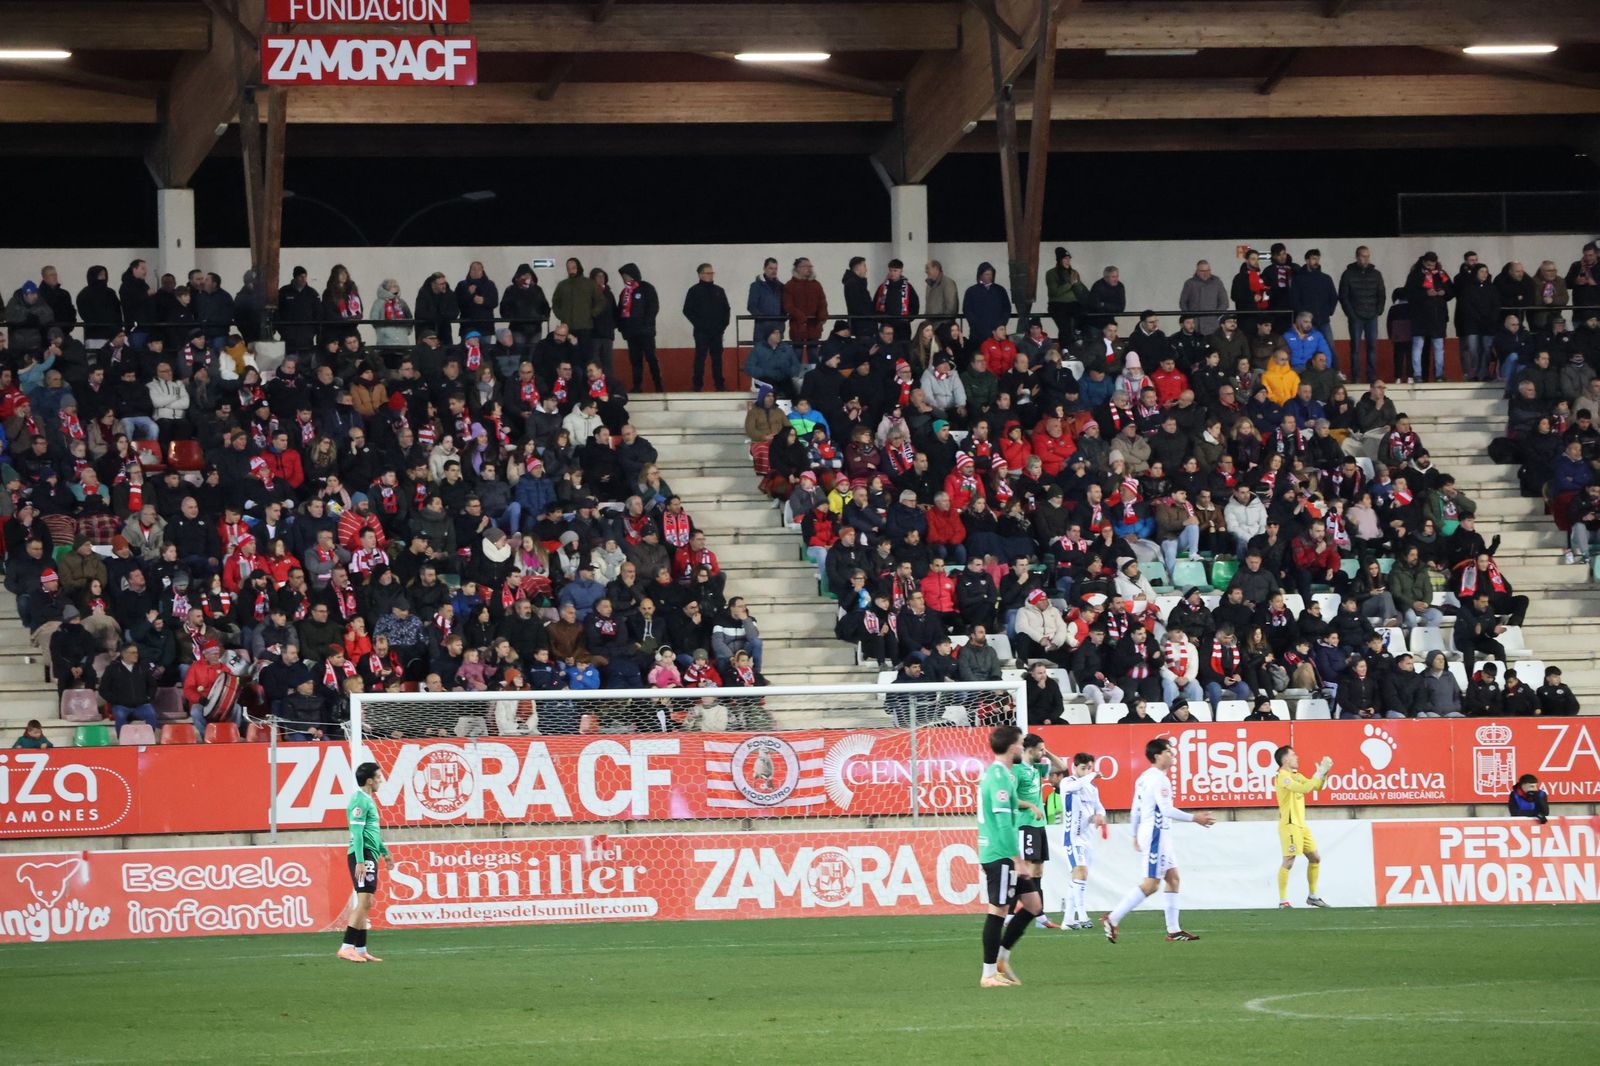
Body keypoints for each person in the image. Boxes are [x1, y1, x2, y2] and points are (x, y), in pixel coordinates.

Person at [1102, 737, 1215, 943]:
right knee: (1151, 884)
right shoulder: (1159, 779)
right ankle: (1113, 918)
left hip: (1154, 833)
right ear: (1157, 756)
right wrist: (1195, 818)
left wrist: (1135, 834)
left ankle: (1174, 930)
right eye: (1168, 752)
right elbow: (1166, 810)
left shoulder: (1144, 778)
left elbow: (1135, 809)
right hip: (1156, 834)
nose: (1173, 755)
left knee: (1173, 878)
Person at [978, 724, 1027, 988]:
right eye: (1021, 743)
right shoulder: (998, 776)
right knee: (998, 910)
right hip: (1000, 853)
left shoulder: (1002, 774)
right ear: (1011, 747)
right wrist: (1017, 859)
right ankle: (988, 974)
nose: (1022, 747)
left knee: (1033, 904)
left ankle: (1001, 961)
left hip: (1001, 851)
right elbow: (1003, 823)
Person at [1009, 735, 1067, 950]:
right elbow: (1012, 799)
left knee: (1038, 872)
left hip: (1039, 825)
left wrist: (1046, 752)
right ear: (1029, 749)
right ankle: (1010, 913)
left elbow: (1062, 767)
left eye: (1043, 749)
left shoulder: (1037, 768)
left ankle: (1039, 916)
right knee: (1024, 871)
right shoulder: (1017, 771)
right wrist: (1031, 806)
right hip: (1025, 824)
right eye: (1040, 749)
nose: (1043, 753)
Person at [339, 760, 389, 963]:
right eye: (378, 777)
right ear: (369, 781)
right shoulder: (359, 801)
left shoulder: (368, 800)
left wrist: (385, 852)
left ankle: (360, 949)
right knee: (364, 901)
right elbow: (357, 833)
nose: (380, 780)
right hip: (362, 855)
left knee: (367, 901)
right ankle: (346, 947)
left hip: (370, 854)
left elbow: (372, 832)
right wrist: (360, 861)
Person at [1273, 745, 1333, 909]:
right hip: (1290, 825)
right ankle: (1283, 901)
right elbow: (1304, 789)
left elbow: (1316, 787)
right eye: (1293, 755)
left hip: (1301, 826)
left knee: (1315, 858)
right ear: (1285, 759)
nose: (1297, 757)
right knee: (1288, 861)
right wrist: (1318, 774)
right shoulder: (1282, 778)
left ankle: (1312, 896)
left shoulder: (1296, 776)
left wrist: (1324, 774)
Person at [1052, 752, 1106, 930]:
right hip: (1072, 838)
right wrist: (1092, 775)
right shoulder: (1067, 783)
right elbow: (1078, 785)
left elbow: (1099, 807)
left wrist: (1099, 816)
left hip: (1088, 839)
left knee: (1078, 878)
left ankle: (1068, 920)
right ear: (1074, 767)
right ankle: (1082, 915)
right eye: (1083, 768)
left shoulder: (1093, 788)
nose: (1087, 771)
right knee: (1080, 872)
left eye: (1089, 768)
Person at [682, 262, 730, 391]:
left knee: (717, 359)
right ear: (700, 275)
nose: (711, 275)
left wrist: (722, 326)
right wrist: (699, 324)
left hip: (717, 332)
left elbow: (726, 310)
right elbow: (687, 310)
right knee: (700, 358)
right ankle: (697, 385)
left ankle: (719, 385)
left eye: (712, 273)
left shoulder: (719, 291)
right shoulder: (694, 291)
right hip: (701, 332)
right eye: (708, 273)